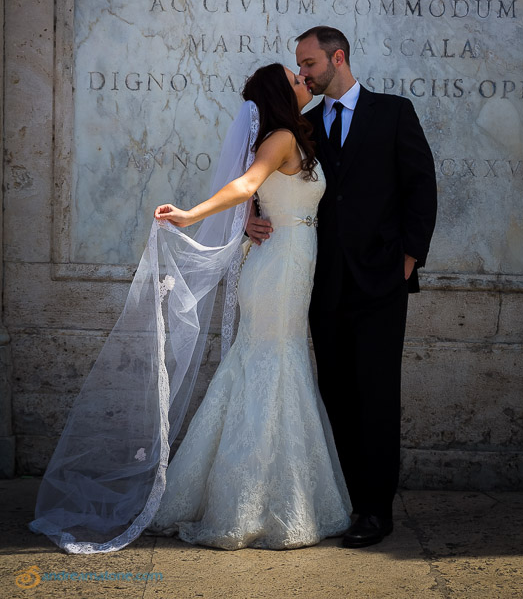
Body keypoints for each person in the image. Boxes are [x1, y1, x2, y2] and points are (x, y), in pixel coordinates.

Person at [30, 62, 351, 553]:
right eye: (295, 78)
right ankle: (247, 502)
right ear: (279, 94)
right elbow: (246, 185)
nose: (305, 80)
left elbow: (264, 197)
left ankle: (258, 492)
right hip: (278, 270)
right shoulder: (282, 137)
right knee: (271, 360)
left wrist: (250, 220)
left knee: (266, 361)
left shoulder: (295, 137)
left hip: (292, 261)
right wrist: (190, 214)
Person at [247, 27, 438, 548]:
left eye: (308, 64)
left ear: (338, 57)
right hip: (320, 284)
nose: (303, 74)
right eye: (299, 67)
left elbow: (421, 184)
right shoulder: (301, 127)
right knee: (336, 395)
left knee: (377, 396)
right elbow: (267, 179)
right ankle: (351, 502)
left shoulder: (393, 112)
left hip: (381, 281)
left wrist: (409, 257)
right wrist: (250, 216)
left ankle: (377, 511)